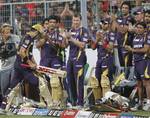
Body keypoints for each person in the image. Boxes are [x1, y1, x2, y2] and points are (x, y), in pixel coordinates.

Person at [0, 24, 45, 112]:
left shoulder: (30, 39)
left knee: (12, 87)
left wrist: (35, 64)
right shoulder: (28, 38)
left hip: (18, 65)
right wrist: (30, 64)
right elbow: (21, 52)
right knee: (38, 82)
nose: (38, 36)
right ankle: (42, 102)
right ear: (36, 32)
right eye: (39, 34)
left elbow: (30, 54)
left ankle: (2, 107)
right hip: (22, 66)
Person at [64, 13, 91, 108]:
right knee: (70, 80)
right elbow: (66, 45)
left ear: (80, 20)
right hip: (70, 58)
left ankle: (80, 103)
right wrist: (65, 38)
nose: (75, 22)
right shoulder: (70, 30)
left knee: (79, 81)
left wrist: (70, 38)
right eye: (74, 20)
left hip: (80, 58)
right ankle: (73, 101)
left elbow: (82, 45)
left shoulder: (84, 31)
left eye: (77, 20)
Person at [125, 22, 149, 111]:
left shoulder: (146, 37)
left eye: (140, 28)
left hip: (144, 62)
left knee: (146, 83)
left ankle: (148, 103)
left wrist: (132, 50)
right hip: (136, 63)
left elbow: (145, 49)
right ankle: (140, 102)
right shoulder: (135, 37)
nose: (138, 29)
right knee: (139, 84)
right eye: (137, 27)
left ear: (144, 29)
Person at [0, 23, 20, 105]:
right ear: (2, 32)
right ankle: (5, 104)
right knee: (4, 87)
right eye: (6, 31)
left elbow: (19, 47)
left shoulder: (15, 37)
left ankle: (16, 103)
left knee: (14, 85)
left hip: (15, 65)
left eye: (9, 30)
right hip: (4, 67)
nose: (9, 33)